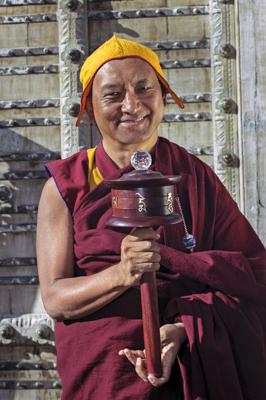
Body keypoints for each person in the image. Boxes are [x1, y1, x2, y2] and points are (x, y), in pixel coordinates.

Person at [36, 35, 266, 399]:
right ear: (90, 108)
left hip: (191, 370)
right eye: (113, 94)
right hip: (105, 379)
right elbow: (55, 298)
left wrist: (183, 329)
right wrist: (122, 273)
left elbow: (252, 275)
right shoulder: (69, 185)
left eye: (145, 89)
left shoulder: (193, 176)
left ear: (163, 97)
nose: (132, 105)